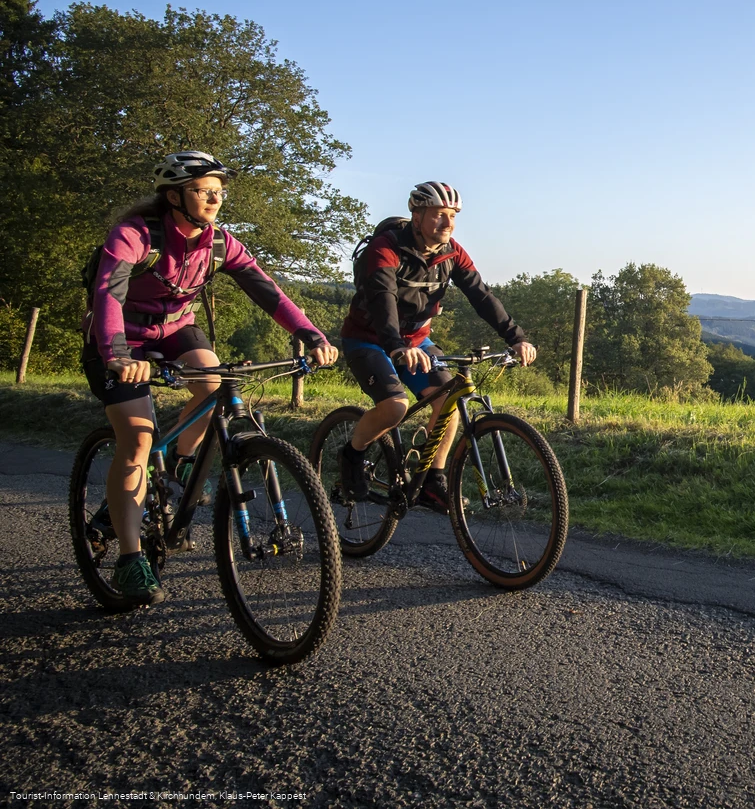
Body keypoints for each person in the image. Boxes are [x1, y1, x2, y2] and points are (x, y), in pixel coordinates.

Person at [84, 150, 339, 606]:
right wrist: (118, 355)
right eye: (205, 190)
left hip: (177, 326)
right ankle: (129, 558)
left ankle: (177, 471)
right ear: (175, 195)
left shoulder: (220, 242)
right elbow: (107, 293)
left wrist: (311, 334)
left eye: (220, 190)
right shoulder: (136, 234)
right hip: (119, 338)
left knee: (212, 381)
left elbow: (268, 291)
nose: (216, 198)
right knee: (138, 440)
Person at [336, 181, 535, 512]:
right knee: (395, 407)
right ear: (417, 216)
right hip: (369, 340)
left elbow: (481, 295)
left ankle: (432, 481)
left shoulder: (452, 252)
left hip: (416, 341)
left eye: (452, 216)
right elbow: (383, 298)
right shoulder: (385, 248)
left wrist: (516, 337)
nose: (447, 223)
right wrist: (396, 346)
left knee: (450, 401)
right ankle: (351, 455)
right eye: (439, 215)